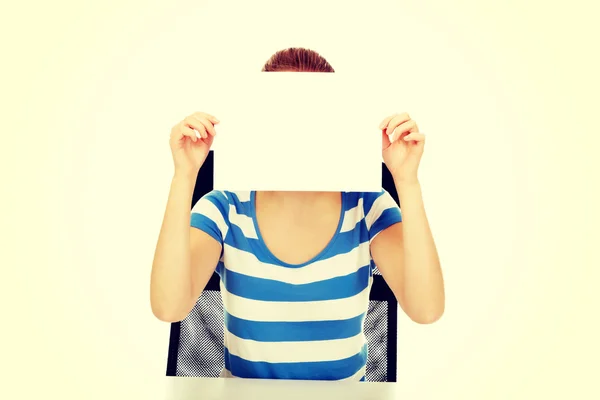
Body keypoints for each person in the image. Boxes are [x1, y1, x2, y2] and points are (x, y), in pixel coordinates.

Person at [150, 47, 445, 381]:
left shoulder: (367, 206)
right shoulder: (226, 207)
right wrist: (184, 176)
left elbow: (427, 309)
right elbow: (168, 307)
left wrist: (407, 181)